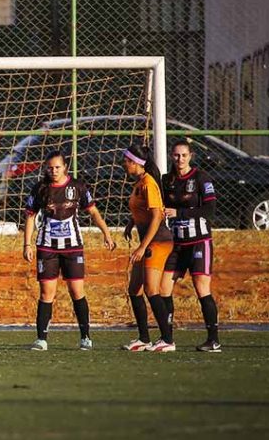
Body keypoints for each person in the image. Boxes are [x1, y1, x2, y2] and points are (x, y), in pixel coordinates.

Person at [22, 150, 116, 351]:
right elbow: (30, 216)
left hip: (72, 247)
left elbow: (93, 212)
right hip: (47, 246)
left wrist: (106, 234)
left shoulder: (78, 187)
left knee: (76, 291)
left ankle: (85, 337)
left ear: (65, 167)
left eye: (57, 167)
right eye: (50, 168)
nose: (54, 171)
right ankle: (41, 339)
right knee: (46, 292)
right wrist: (27, 244)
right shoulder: (40, 188)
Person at [161, 139, 221, 352]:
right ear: (171, 156)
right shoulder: (167, 180)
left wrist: (180, 213)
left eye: (184, 155)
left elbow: (210, 210)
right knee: (163, 288)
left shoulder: (201, 178)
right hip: (177, 245)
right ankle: (167, 339)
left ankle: (213, 340)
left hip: (199, 243)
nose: (180, 159)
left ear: (191, 156)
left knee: (201, 288)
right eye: (176, 155)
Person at [121, 143, 176, 352]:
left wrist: (142, 247)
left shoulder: (148, 183)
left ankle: (168, 340)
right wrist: (130, 223)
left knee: (152, 289)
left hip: (158, 242)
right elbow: (141, 209)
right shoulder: (139, 182)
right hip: (148, 242)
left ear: (137, 163)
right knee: (134, 289)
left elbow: (156, 216)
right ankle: (144, 338)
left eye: (127, 161)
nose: (124, 164)